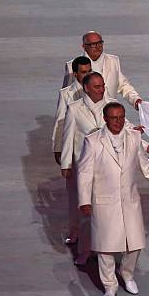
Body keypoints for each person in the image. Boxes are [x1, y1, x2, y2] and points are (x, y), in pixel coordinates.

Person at [77, 102, 149, 296]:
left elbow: (145, 165)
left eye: (121, 117)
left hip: (130, 200)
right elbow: (84, 172)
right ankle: (109, 285)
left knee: (135, 242)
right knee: (106, 247)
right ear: (105, 119)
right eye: (114, 118)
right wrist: (84, 200)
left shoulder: (134, 137)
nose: (118, 122)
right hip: (104, 201)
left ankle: (127, 274)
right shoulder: (93, 141)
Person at [61, 72, 149, 265]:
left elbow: (128, 130)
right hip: (86, 165)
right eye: (97, 86)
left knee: (107, 215)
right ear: (86, 88)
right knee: (86, 213)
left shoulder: (111, 103)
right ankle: (85, 252)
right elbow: (68, 136)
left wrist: (147, 146)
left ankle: (111, 251)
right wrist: (66, 163)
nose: (101, 89)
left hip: (109, 166)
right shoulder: (74, 109)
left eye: (103, 85)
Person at [52, 56, 92, 244]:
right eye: (84, 72)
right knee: (75, 196)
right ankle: (75, 231)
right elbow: (61, 123)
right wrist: (58, 149)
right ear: (75, 74)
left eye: (89, 71)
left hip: (96, 154)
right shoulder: (67, 94)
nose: (87, 75)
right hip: (76, 153)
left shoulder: (98, 89)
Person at [62, 31, 143, 110]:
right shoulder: (71, 66)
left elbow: (123, 86)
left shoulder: (113, 61)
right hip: (86, 116)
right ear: (84, 46)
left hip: (110, 116)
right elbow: (67, 96)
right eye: (93, 44)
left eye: (100, 43)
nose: (98, 47)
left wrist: (135, 100)